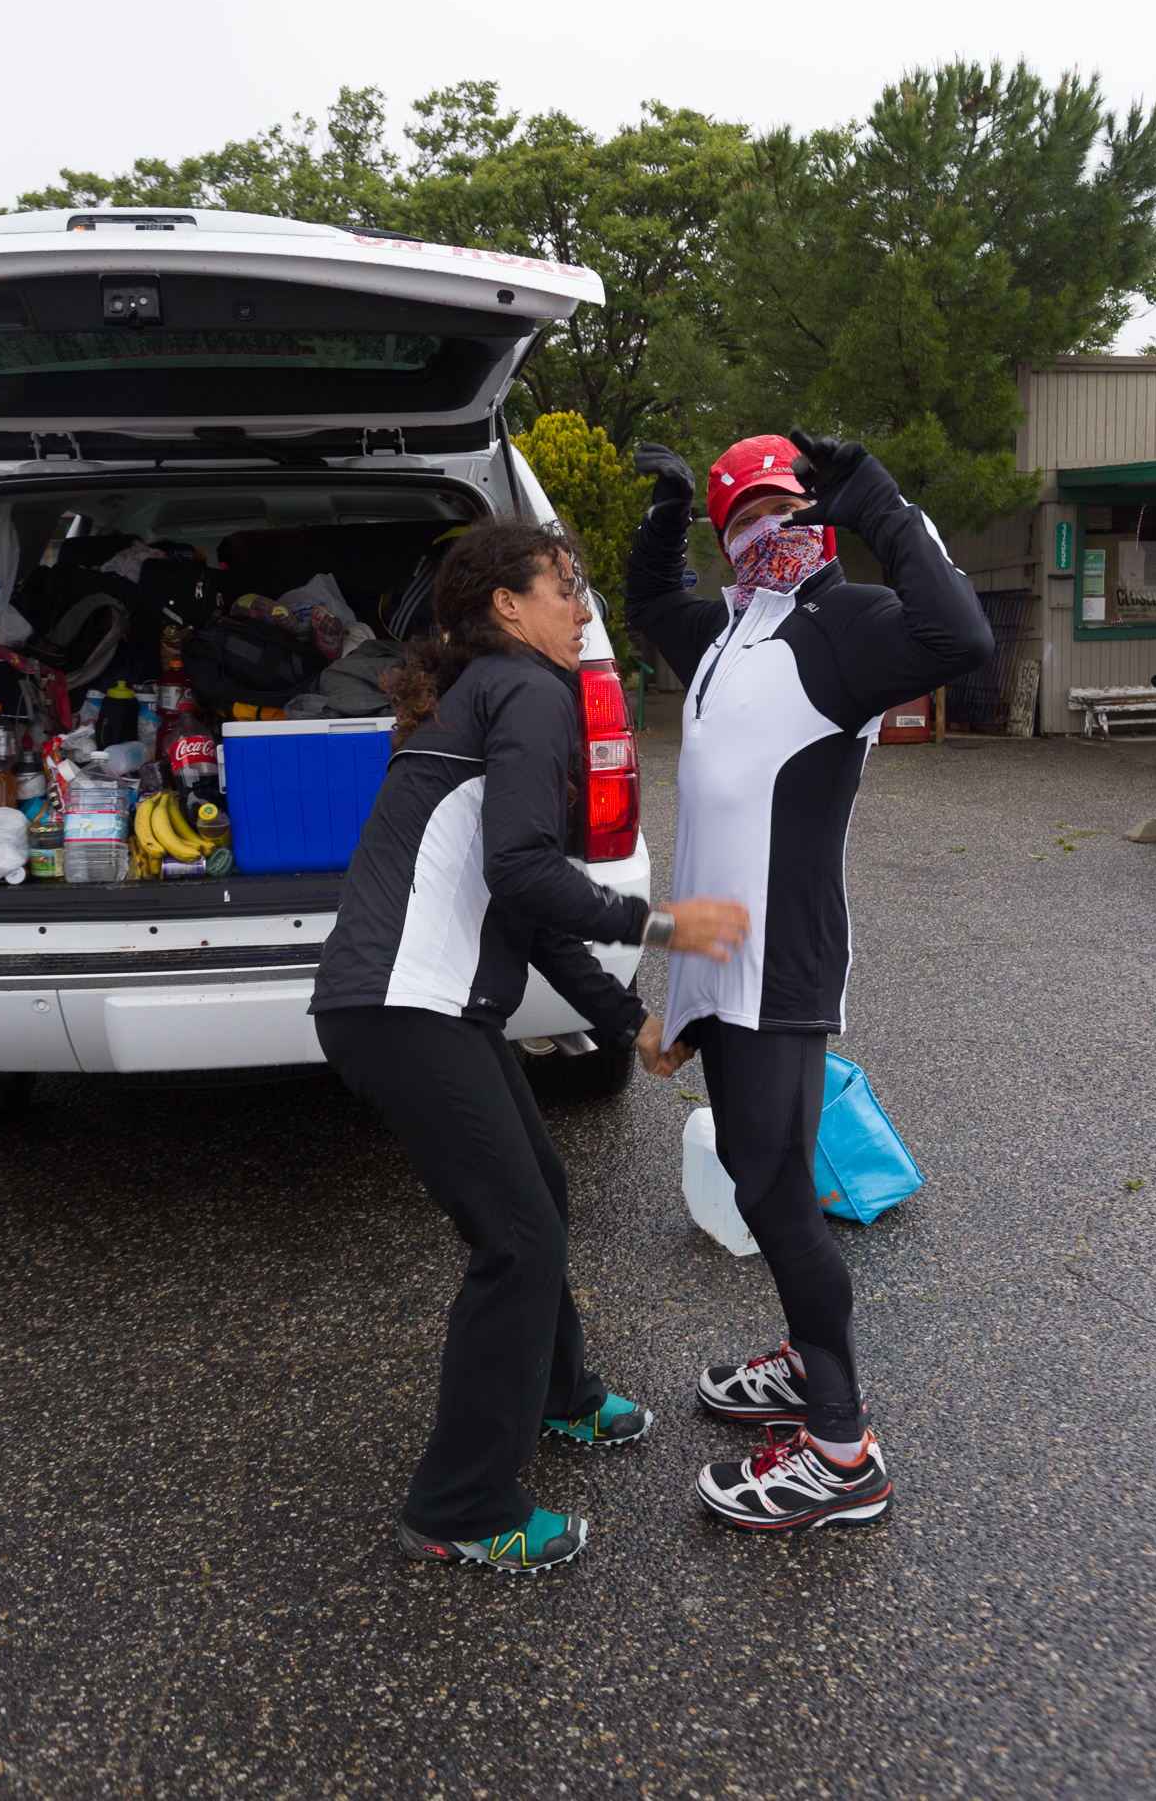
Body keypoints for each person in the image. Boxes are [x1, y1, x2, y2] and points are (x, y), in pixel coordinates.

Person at [311, 518, 748, 1573]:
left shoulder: (489, 694)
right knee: (517, 1239)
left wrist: (626, 1017)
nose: (581, 608)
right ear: (506, 605)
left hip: (421, 1006)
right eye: (564, 587)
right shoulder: (530, 692)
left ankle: (558, 1395)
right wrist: (659, 924)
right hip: (402, 1005)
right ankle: (459, 1505)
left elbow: (525, 912)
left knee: (538, 1196)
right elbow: (522, 872)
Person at [626, 429, 994, 1533]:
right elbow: (653, 604)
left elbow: (961, 631)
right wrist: (667, 513)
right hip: (714, 958)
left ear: (815, 510)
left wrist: (875, 498)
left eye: (783, 507)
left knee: (780, 1190)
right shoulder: (734, 625)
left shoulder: (846, 625)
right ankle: (802, 1358)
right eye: (741, 520)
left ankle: (842, 1453)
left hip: (779, 956)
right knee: (753, 1174)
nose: (764, 533)